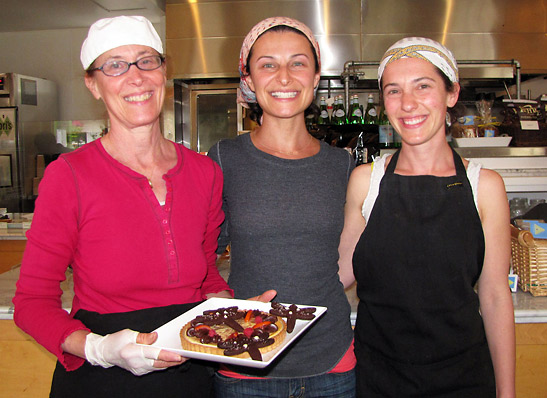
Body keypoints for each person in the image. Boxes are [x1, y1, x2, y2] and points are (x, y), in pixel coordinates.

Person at [13, 15, 239, 398]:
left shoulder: (205, 173)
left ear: (163, 72)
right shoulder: (68, 176)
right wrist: (99, 349)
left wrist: (226, 306)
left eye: (146, 60)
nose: (135, 77)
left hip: (189, 373)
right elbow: (31, 302)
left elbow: (204, 275)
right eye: (115, 65)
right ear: (93, 84)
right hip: (102, 379)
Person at [338, 37, 516, 397]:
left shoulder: (485, 186)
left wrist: (507, 392)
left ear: (451, 94)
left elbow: (495, 296)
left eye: (423, 86)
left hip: (464, 379)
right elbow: (338, 274)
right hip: (378, 379)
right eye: (393, 91)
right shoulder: (365, 181)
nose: (407, 104)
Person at [208, 16, 356, 398]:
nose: (285, 77)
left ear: (316, 76)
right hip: (245, 365)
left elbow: (350, 255)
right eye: (268, 64)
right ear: (249, 80)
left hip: (332, 364)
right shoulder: (225, 158)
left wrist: (309, 296)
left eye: (298, 62)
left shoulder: (342, 165)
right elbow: (200, 256)